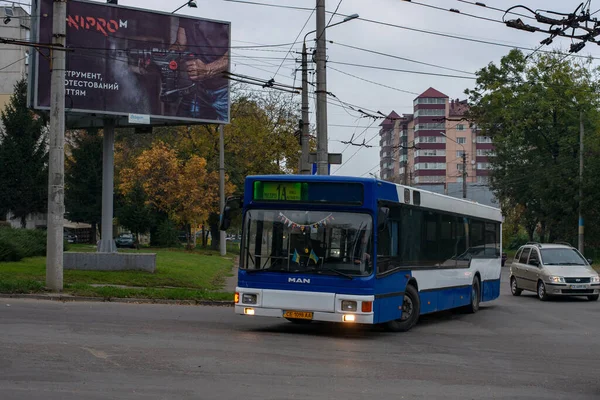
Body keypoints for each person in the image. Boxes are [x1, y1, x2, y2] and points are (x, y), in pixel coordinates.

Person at [169, 18, 230, 121]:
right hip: (198, 88)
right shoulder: (187, 9)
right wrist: (161, 57)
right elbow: (180, 44)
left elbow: (236, 53)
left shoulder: (223, 10)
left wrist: (208, 69)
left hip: (225, 90)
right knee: (179, 129)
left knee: (231, 133)